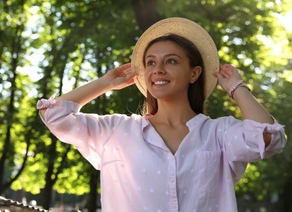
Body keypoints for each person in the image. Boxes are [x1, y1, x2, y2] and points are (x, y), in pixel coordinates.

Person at [37, 17, 286, 212]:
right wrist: (105, 84)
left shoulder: (219, 133)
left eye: (171, 61)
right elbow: (55, 115)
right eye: (151, 63)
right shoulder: (116, 132)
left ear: (194, 73)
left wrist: (236, 88)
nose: (158, 70)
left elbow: (268, 137)